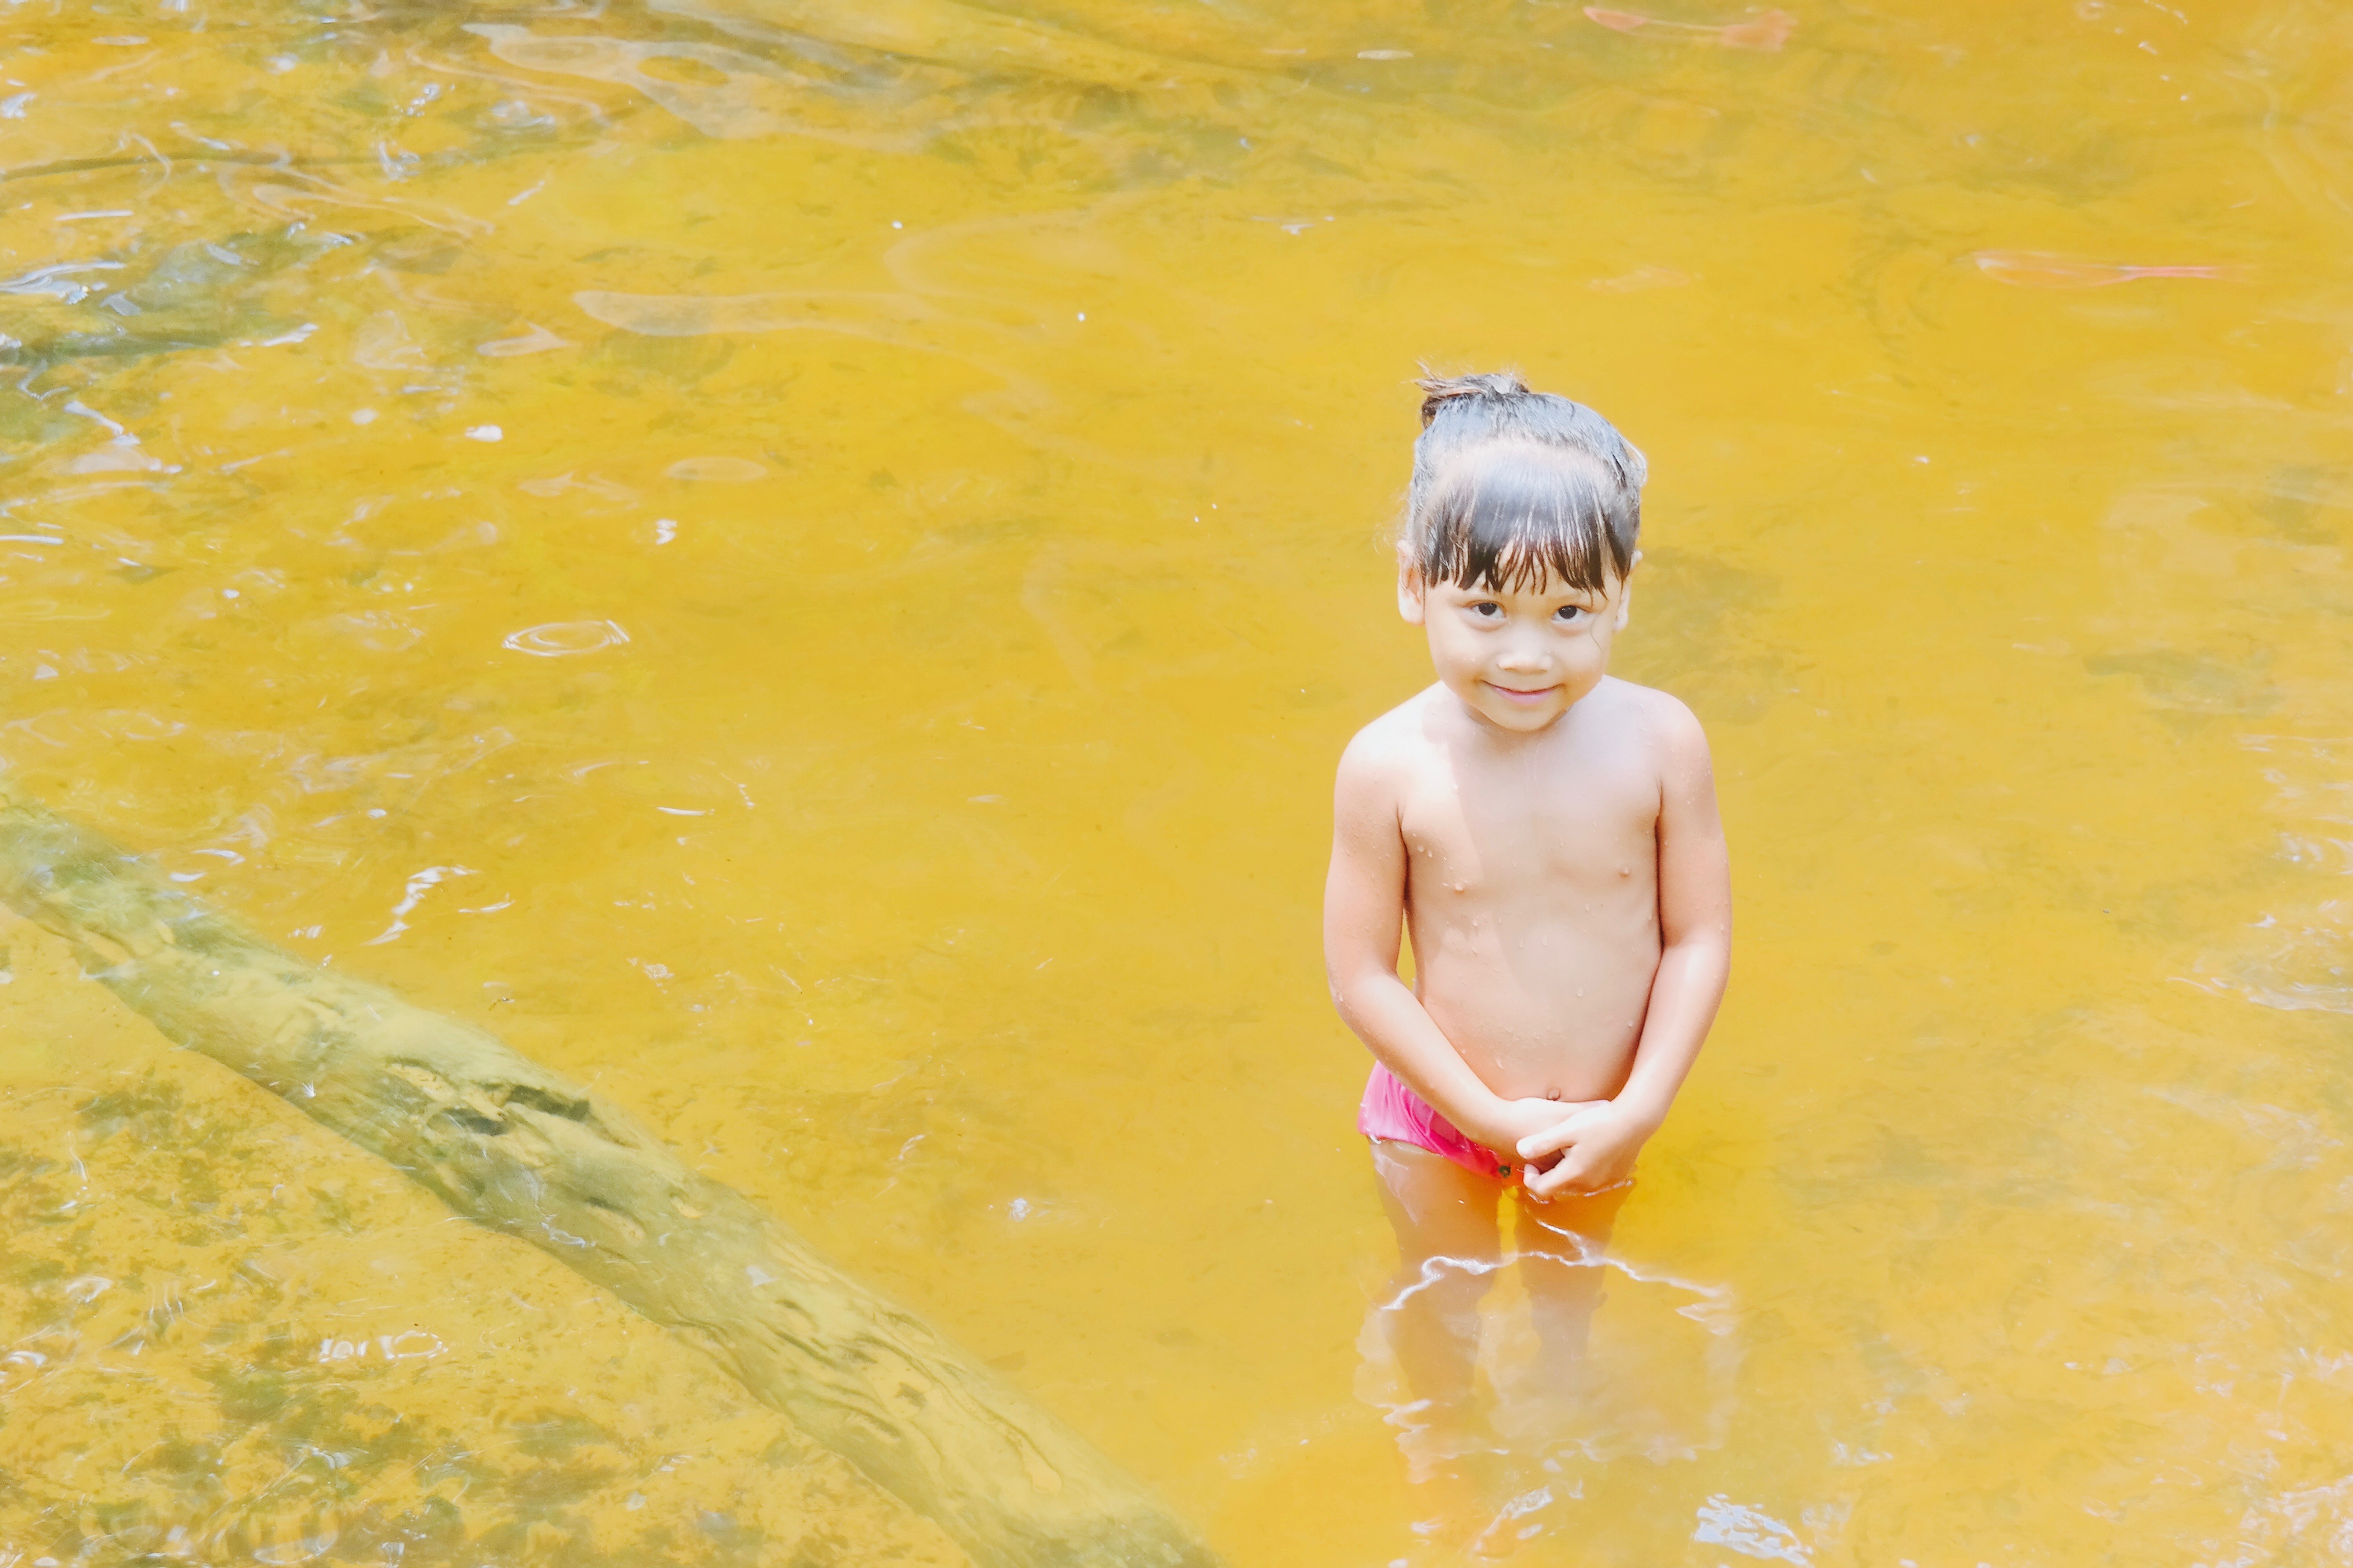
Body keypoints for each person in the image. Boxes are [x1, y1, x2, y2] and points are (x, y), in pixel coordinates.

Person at [1322, 370, 1731, 1460]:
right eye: (1485, 608)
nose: (1523, 653)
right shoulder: (1387, 765)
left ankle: (1565, 1450)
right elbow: (1359, 975)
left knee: (1567, 1308)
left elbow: (1697, 937)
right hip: (1438, 1121)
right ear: (1415, 584)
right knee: (1439, 1308)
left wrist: (1638, 1109)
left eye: (1567, 614)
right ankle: (1444, 1466)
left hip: (1604, 1115)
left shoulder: (1660, 743)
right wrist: (1487, 1120)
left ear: (1624, 594)